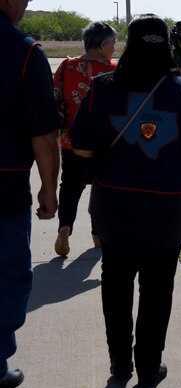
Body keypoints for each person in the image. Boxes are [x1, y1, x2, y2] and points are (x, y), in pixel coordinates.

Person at [70, 13, 181, 387]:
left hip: (115, 205)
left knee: (115, 284)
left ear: (127, 45)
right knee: (158, 289)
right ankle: (148, 367)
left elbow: (79, 145)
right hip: (166, 208)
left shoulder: (102, 88)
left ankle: (119, 365)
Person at [0, 0, 60, 388]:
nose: (25, 6)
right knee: (10, 276)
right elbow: (43, 132)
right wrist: (49, 188)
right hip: (2, 192)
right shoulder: (25, 53)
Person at [53, 21, 117, 256]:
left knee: (70, 186)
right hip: (104, 144)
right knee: (101, 188)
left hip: (71, 141)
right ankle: (98, 233)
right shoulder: (113, 71)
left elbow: (55, 97)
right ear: (102, 45)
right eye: (112, 44)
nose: (114, 48)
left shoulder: (67, 66)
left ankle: (65, 228)